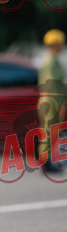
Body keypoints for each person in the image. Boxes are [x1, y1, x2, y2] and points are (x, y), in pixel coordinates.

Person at [38, 29, 66, 173]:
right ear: (54, 44)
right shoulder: (51, 61)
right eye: (61, 43)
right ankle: (46, 164)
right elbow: (53, 84)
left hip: (50, 100)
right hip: (51, 101)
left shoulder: (50, 59)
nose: (63, 45)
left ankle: (47, 163)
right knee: (48, 133)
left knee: (49, 132)